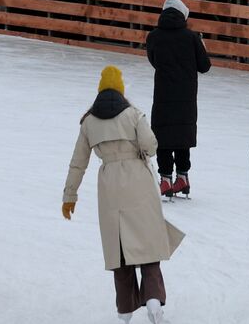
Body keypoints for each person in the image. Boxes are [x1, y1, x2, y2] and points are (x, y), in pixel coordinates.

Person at [63, 66, 181, 324]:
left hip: (109, 187)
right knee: (147, 245)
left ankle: (124, 312)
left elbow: (78, 163)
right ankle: (153, 302)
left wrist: (69, 196)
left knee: (120, 251)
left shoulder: (89, 122)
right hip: (138, 183)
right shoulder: (133, 114)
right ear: (121, 90)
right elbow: (150, 146)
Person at [145, 0, 211, 199]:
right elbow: (205, 66)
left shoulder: (153, 36)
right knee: (182, 134)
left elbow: (154, 61)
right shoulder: (191, 37)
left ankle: (165, 180)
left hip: (163, 94)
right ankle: (182, 176)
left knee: (163, 135)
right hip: (186, 96)